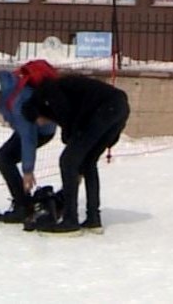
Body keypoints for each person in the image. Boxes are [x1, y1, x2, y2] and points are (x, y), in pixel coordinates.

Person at [26, 71, 131, 234]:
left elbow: (68, 116)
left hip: (105, 108)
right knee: (88, 162)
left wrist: (74, 146)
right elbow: (72, 122)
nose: (40, 124)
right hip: (118, 106)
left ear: (37, 111)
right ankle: (93, 219)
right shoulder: (56, 95)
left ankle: (70, 220)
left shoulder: (48, 91)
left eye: (37, 120)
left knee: (67, 161)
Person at [0, 68, 57, 224]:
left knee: (4, 158)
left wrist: (28, 170)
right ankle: (23, 203)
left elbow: (28, 137)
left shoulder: (18, 102)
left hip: (42, 130)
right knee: (4, 157)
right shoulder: (4, 85)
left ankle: (23, 207)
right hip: (26, 129)